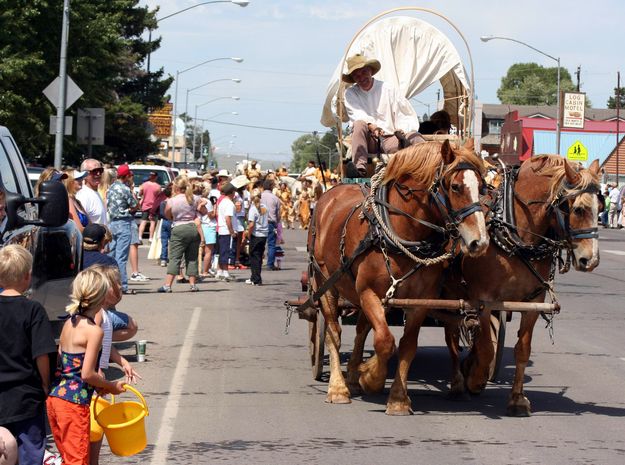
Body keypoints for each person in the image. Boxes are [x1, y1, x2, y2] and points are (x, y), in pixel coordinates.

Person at [46, 269, 125, 465]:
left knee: (68, 457)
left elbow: (64, 365)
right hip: (73, 404)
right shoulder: (94, 331)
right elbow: (87, 373)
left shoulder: (68, 324)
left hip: (56, 399)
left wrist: (97, 386)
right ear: (101, 298)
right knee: (78, 460)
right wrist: (110, 385)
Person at [0, 245, 56, 465]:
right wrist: (45, 383)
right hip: (25, 396)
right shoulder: (33, 310)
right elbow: (42, 354)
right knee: (30, 453)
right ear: (27, 276)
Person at [342, 53, 423, 177]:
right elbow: (357, 115)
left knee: (414, 137)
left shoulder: (388, 88)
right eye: (356, 75)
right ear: (353, 78)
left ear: (370, 71)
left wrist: (402, 130)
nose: (361, 77)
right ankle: (360, 168)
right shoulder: (350, 93)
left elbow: (405, 113)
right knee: (358, 124)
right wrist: (371, 126)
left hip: (392, 139)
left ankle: (429, 167)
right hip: (369, 141)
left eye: (363, 72)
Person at [157, 176, 208, 293]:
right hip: (193, 228)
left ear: (176, 186)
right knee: (192, 258)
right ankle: (193, 284)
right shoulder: (195, 198)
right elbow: (204, 212)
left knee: (175, 257)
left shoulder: (172, 200)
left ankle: (167, 285)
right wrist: (201, 206)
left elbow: (167, 215)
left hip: (179, 227)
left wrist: (173, 217)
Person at [106, 164, 138, 295]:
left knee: (111, 254)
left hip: (112, 223)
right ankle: (122, 285)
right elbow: (135, 205)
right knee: (121, 257)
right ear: (127, 176)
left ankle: (108, 284)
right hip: (124, 222)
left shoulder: (111, 187)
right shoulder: (125, 189)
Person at [215, 183, 237, 282]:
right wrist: (232, 231)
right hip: (226, 230)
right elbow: (228, 218)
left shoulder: (223, 201)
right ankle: (225, 272)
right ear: (231, 192)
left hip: (221, 229)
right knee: (225, 251)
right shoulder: (229, 203)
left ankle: (220, 271)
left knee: (221, 251)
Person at [245, 195, 268, 286]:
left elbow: (251, 225)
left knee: (254, 256)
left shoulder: (253, 209)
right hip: (264, 234)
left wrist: (248, 234)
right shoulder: (264, 207)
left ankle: (256, 278)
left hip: (256, 234)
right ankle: (254, 277)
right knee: (259, 256)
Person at [76, 159, 107, 225]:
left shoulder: (95, 192)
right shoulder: (83, 195)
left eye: (100, 170)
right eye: (94, 171)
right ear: (84, 175)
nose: (98, 174)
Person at [260, 179, 281, 270]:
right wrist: (277, 223)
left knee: (259, 243)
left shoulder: (259, 196)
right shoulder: (275, 198)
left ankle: (258, 262)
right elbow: (278, 214)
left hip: (260, 222)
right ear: (271, 187)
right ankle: (270, 264)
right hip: (271, 223)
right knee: (271, 244)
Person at [137, 171, 161, 242]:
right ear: (156, 177)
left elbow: (140, 193)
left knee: (143, 221)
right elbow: (158, 197)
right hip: (153, 206)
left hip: (145, 205)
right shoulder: (158, 186)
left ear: (150, 177)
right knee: (152, 222)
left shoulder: (144, 185)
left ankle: (140, 237)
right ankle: (150, 238)